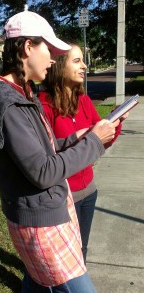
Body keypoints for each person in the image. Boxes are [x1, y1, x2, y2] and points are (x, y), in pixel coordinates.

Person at [0, 11, 119, 293]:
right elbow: (43, 172)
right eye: (49, 49)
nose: (53, 59)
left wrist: (77, 138)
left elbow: (42, 150)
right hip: (42, 226)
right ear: (28, 47)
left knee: (37, 283)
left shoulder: (21, 93)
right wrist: (93, 143)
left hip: (47, 215)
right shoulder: (9, 104)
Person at [39, 43, 128, 264]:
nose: (85, 66)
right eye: (77, 61)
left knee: (81, 247)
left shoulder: (84, 101)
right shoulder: (43, 105)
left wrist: (114, 125)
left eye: (83, 61)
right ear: (60, 65)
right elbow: (43, 153)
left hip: (89, 191)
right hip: (61, 196)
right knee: (58, 255)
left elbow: (101, 144)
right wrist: (80, 138)